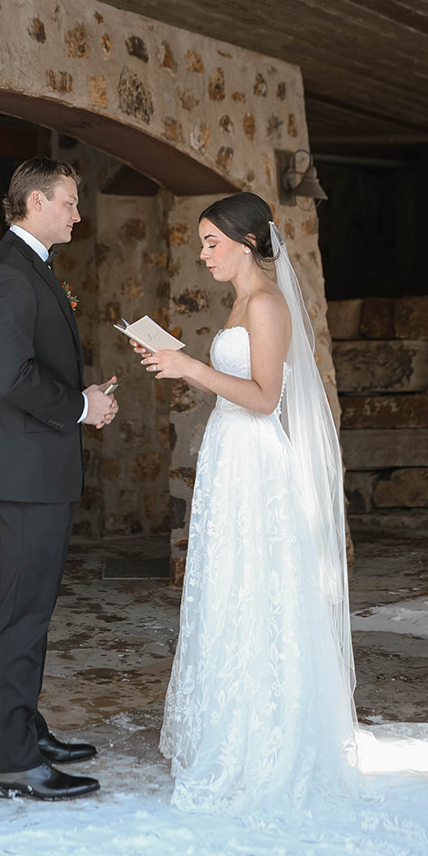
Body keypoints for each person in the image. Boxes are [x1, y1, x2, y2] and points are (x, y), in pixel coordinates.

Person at [131, 192, 357, 819]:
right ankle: (228, 727)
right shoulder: (242, 301)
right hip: (232, 461)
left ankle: (266, 742)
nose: (203, 255)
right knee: (229, 591)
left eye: (211, 242)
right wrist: (183, 366)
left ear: (248, 242)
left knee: (258, 592)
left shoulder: (265, 303)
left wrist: (190, 369)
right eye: (201, 243)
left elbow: (264, 398)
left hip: (256, 463)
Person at [0, 158, 119, 801]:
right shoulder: (8, 274)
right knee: (21, 618)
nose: (78, 215)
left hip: (38, 468)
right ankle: (14, 763)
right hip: (25, 473)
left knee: (33, 612)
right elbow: (13, 378)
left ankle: (25, 729)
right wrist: (81, 406)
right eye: (70, 203)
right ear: (35, 200)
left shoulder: (29, 266)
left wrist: (80, 398)